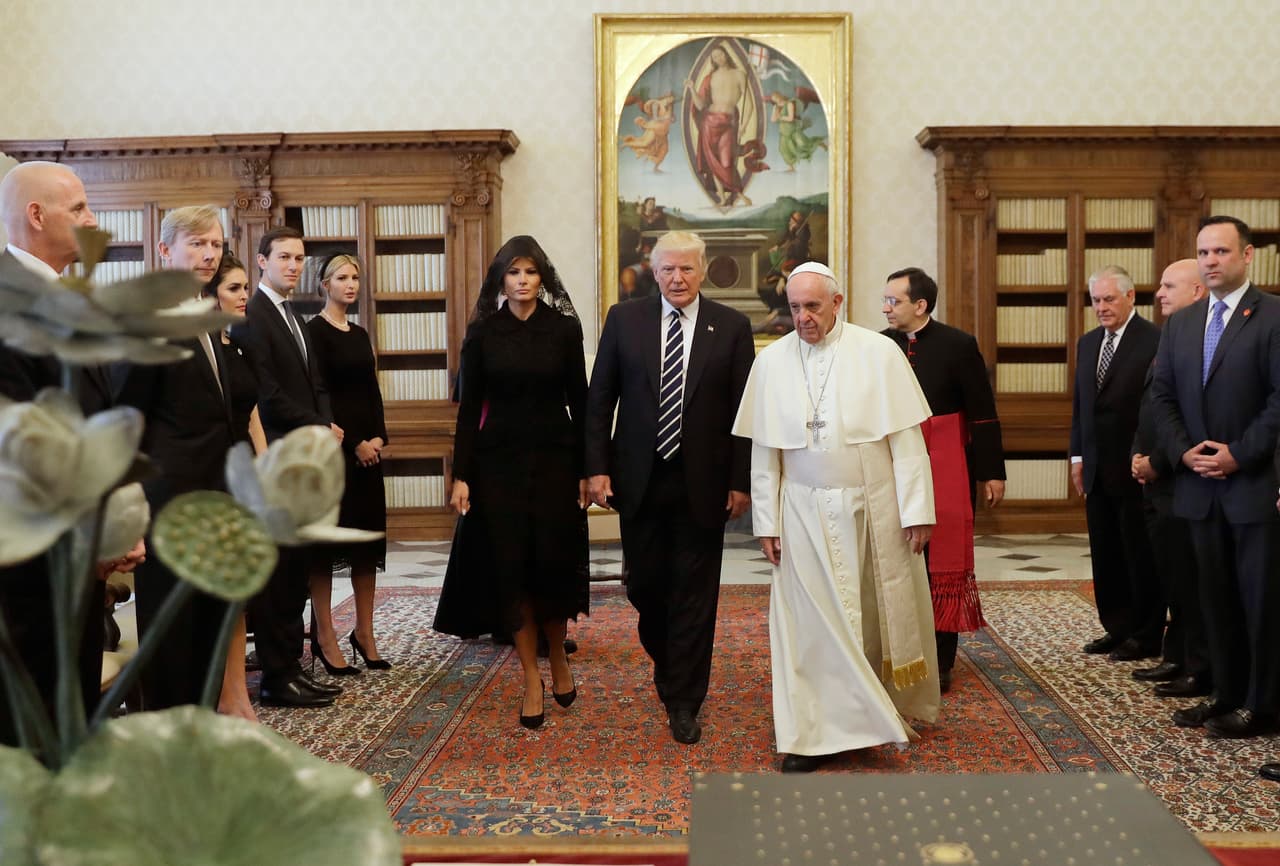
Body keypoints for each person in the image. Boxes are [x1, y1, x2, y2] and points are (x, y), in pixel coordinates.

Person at [733, 261, 940, 772]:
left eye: (813, 307)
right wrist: (767, 522)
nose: (802, 318)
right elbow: (766, 452)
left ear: (838, 303)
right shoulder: (773, 360)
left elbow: (907, 442)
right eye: (795, 307)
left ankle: (864, 717)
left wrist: (917, 511)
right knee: (807, 625)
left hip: (868, 508)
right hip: (800, 509)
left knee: (865, 618)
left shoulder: (878, 352)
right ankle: (811, 733)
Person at [585, 230, 754, 745]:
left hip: (703, 484)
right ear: (653, 272)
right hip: (639, 479)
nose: (677, 279)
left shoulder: (731, 326)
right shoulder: (624, 319)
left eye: (686, 269)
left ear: (703, 270)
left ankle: (684, 700)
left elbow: (746, 414)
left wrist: (740, 482)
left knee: (695, 596)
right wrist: (595, 468)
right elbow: (600, 399)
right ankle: (671, 660)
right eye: (667, 270)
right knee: (646, 586)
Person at [434, 236, 589, 729]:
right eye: (514, 273)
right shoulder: (482, 333)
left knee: (552, 566)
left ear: (543, 279)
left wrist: (589, 469)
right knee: (513, 570)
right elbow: (466, 412)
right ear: (501, 280)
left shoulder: (564, 330)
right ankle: (528, 675)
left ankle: (558, 657)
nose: (522, 281)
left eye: (531, 273)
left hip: (556, 463)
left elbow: (581, 403)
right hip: (497, 464)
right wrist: (462, 475)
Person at [1149, 216, 1280, 742]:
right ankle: (1226, 694)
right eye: (1204, 253)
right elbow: (1162, 396)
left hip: (1250, 485)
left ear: (1248, 256)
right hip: (1198, 487)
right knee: (1214, 599)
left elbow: (1278, 401)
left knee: (1259, 602)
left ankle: (1263, 705)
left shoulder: (1272, 316)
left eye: (1221, 252)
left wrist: (1237, 455)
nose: (1211, 261)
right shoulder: (1182, 323)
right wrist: (1185, 452)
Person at [0, 161, 110, 749]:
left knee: (71, 706)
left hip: (74, 552)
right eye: (80, 209)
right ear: (36, 215)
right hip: (34, 560)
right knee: (36, 717)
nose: (94, 222)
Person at [113, 205, 236, 711]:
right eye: (197, 244)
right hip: (166, 507)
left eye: (215, 244)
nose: (209, 254)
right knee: (171, 639)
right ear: (165, 250)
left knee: (208, 629)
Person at [232, 226, 343, 709]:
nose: (294, 266)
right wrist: (318, 425)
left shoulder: (294, 313)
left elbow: (315, 380)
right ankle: (277, 676)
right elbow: (266, 395)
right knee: (278, 577)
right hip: (274, 452)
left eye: (300, 259)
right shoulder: (251, 314)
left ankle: (293, 666)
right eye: (284, 257)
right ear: (261, 262)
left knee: (296, 570)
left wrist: (325, 421)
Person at [880, 267, 1006, 693]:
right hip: (891, 463)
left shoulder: (958, 345)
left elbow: (983, 412)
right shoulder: (879, 346)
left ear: (920, 305)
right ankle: (896, 650)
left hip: (946, 463)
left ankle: (942, 657)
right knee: (897, 555)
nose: (886, 308)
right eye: (885, 300)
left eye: (893, 301)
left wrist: (991, 471)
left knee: (939, 563)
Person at [1070, 265, 1162, 662]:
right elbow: (1081, 407)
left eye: (1109, 299)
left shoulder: (1155, 341)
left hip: (1133, 467)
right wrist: (1077, 456)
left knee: (1138, 554)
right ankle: (1117, 627)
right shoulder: (1088, 343)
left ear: (1131, 297)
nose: (1102, 307)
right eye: (1096, 300)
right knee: (1105, 553)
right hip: (1096, 469)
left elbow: (1157, 408)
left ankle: (1145, 633)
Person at [304, 254, 391, 675]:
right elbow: (320, 395)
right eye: (342, 277)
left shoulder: (359, 334)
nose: (351, 284)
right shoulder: (312, 333)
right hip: (333, 452)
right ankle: (324, 635)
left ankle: (365, 633)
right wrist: (354, 442)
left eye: (355, 277)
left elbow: (372, 392)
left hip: (367, 456)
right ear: (324, 285)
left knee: (366, 549)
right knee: (326, 550)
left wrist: (377, 438)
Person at [1129, 260, 1211, 701]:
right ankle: (1177, 657)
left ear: (1197, 291)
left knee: (1190, 582)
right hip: (1155, 480)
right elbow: (1151, 408)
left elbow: (1189, 415)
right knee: (1171, 580)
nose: (1158, 292)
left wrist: (1158, 461)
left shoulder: (1201, 341)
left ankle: (1197, 666)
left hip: (1180, 480)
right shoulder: (1172, 338)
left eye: (1168, 285)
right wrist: (1137, 457)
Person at [202, 251, 267, 722]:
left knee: (240, 593)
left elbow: (255, 418)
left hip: (245, 473)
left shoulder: (237, 346)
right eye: (233, 288)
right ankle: (222, 695)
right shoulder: (203, 350)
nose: (244, 296)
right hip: (213, 474)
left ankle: (237, 693)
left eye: (246, 287)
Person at [686, 45, 753, 207]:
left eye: (720, 55)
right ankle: (723, 198)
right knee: (713, 162)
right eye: (714, 57)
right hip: (709, 122)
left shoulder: (739, 75)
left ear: (726, 54)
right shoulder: (710, 77)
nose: (718, 59)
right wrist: (692, 89)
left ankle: (739, 194)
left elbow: (749, 104)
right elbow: (701, 105)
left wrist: (744, 126)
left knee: (726, 162)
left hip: (728, 123)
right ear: (712, 60)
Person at [768, 91, 826, 171]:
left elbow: (791, 118)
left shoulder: (789, 104)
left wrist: (781, 117)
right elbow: (773, 120)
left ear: (780, 96)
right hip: (784, 131)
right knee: (783, 149)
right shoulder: (776, 107)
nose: (776, 100)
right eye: (774, 99)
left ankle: (818, 143)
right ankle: (791, 167)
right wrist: (775, 113)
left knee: (803, 144)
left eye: (777, 98)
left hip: (793, 129)